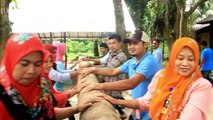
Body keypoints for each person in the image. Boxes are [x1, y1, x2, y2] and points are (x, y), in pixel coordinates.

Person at [98, 37, 213, 120]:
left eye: (191, 59)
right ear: (173, 59)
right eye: (180, 58)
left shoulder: (201, 86)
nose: (185, 63)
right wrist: (116, 101)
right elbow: (146, 101)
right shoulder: (162, 76)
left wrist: (100, 86)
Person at [0, 33, 94, 120]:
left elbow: (48, 114)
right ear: (10, 61)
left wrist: (77, 108)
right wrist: (75, 90)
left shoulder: (41, 83)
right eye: (24, 64)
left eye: (37, 64)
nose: (31, 71)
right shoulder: (3, 98)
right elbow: (60, 78)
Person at [81, 30, 160, 120]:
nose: (131, 47)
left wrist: (98, 85)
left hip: (150, 113)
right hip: (137, 109)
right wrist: (92, 70)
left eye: (135, 43)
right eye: (129, 44)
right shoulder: (132, 61)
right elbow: (113, 71)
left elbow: (131, 83)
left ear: (145, 44)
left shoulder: (149, 61)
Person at [100, 34, 127, 119]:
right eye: (109, 43)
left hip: (115, 89)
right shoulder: (111, 54)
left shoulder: (121, 56)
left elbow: (109, 69)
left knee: (108, 111)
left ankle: (121, 114)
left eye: (114, 43)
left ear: (119, 43)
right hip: (108, 87)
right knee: (110, 106)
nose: (111, 45)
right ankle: (122, 113)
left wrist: (93, 69)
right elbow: (103, 65)